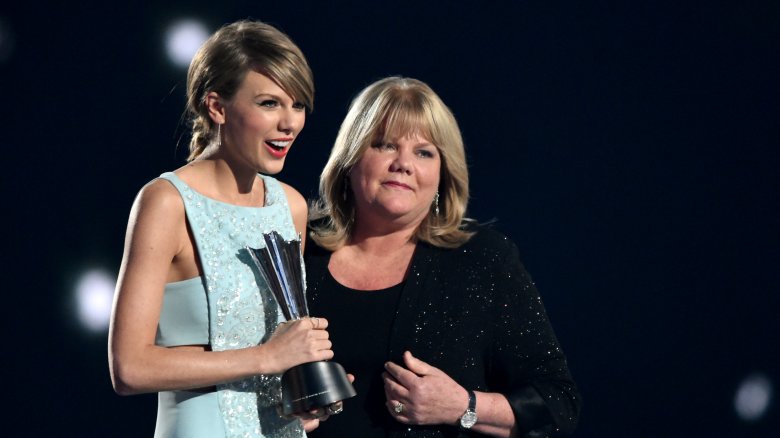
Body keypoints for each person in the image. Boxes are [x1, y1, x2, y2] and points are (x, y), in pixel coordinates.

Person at [305, 77, 581, 437]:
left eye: (424, 152)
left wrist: (462, 406)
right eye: (385, 145)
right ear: (350, 159)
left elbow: (559, 403)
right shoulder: (299, 249)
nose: (403, 164)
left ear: (442, 174)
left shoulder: (482, 259)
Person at [108, 20, 339, 437]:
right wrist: (268, 358)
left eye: (298, 104)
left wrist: (301, 396)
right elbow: (129, 367)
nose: (290, 123)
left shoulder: (290, 206)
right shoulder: (166, 202)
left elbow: (279, 353)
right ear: (217, 107)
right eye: (269, 103)